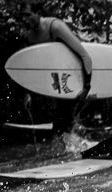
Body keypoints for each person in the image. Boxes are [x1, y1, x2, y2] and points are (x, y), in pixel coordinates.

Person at [19, 1, 93, 134]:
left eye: (28, 15)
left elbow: (85, 56)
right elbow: (31, 67)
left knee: (64, 122)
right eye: (22, 16)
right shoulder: (30, 37)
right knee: (60, 123)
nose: (24, 20)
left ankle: (73, 146)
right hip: (58, 79)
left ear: (39, 13)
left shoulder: (55, 27)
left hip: (77, 74)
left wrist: (87, 87)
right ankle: (68, 145)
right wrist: (28, 91)